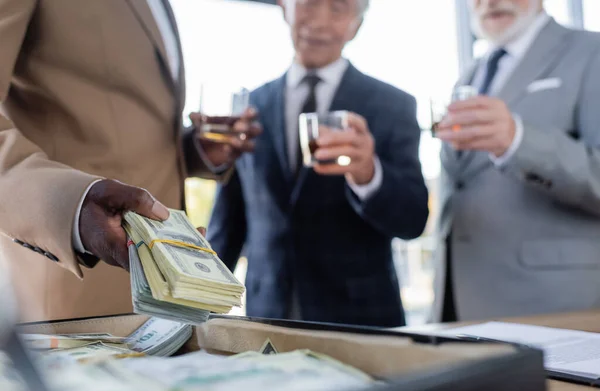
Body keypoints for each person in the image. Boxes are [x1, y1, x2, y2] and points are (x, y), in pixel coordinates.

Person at [0, 0, 259, 321]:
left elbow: (122, 126)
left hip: (167, 292)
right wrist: (73, 206)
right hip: (77, 290)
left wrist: (193, 150)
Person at [207, 0, 429, 327]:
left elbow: (412, 220)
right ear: (285, 8)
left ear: (357, 23)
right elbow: (228, 220)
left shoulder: (394, 105)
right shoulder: (250, 106)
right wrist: (200, 306)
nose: (320, 21)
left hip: (361, 318)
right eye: (309, 3)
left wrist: (368, 175)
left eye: (338, 8)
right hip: (266, 312)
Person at [434, 0, 600, 322]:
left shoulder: (592, 52)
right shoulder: (471, 73)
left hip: (556, 303)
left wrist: (519, 141)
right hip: (461, 302)